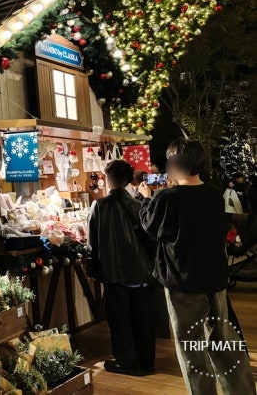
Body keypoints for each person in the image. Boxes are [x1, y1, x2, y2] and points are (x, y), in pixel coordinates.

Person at [140, 138, 255, 395]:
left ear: (175, 165)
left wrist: (147, 198)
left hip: (184, 281)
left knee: (192, 347)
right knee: (224, 341)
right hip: (215, 277)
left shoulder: (168, 197)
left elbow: (152, 227)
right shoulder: (214, 193)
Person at [87, 159, 156, 376]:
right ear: (128, 180)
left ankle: (126, 362)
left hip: (114, 272)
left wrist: (93, 269)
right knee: (143, 318)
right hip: (141, 271)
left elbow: (92, 243)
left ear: (108, 179)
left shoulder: (100, 205)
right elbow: (150, 237)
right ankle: (147, 362)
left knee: (120, 320)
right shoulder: (138, 205)